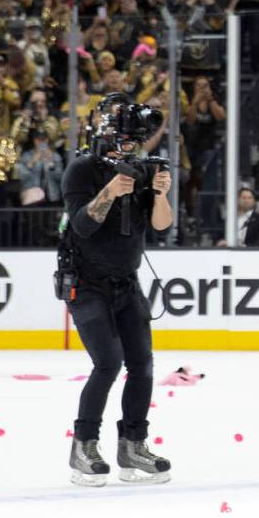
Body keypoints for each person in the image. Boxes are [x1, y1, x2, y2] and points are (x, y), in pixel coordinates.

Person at [61, 96, 173, 487]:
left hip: (128, 284)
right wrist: (109, 192)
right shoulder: (81, 170)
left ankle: (133, 445)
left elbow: (161, 225)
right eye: (123, 139)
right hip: (87, 285)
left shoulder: (142, 171)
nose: (129, 147)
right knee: (107, 363)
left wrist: (160, 192)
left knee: (141, 364)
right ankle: (84, 446)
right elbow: (81, 225)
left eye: (134, 140)